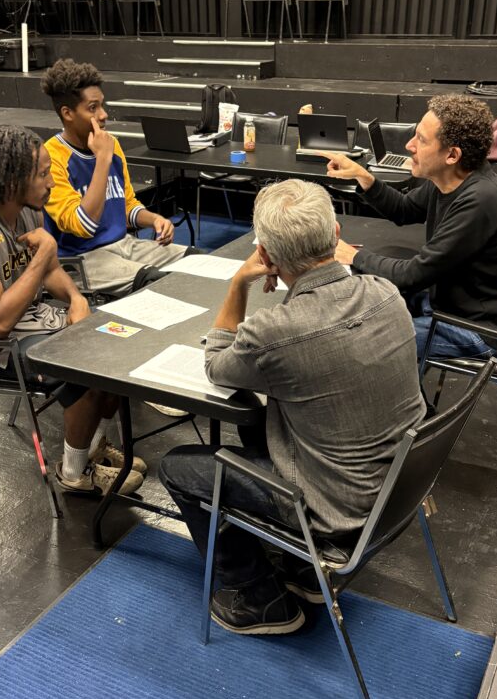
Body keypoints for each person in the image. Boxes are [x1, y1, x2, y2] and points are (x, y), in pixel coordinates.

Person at [159, 179, 425, 636]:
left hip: (334, 511)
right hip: (397, 489)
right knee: (264, 421)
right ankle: (304, 573)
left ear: (266, 257)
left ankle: (258, 596)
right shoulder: (387, 293)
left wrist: (239, 282)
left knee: (177, 466)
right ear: (336, 231)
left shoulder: (275, 332)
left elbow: (216, 365)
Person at [0, 125, 146, 496]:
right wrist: (45, 253)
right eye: (43, 174)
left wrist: (78, 302)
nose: (51, 182)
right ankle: (74, 473)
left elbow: (52, 273)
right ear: (13, 179)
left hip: (30, 321)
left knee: (118, 341)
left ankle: (92, 445)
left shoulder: (28, 208)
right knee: (86, 360)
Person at [326, 94, 497, 359]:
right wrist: (363, 176)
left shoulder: (480, 200)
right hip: (447, 305)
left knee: (361, 340)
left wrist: (354, 256)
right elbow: (404, 209)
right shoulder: (449, 180)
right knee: (366, 305)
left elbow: (413, 275)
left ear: (452, 155)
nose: (409, 145)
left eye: (420, 139)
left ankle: (412, 401)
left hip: (479, 330)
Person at [41, 57, 189, 295]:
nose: (103, 115)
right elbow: (83, 225)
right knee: (157, 282)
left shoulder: (112, 146)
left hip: (124, 245)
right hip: (81, 259)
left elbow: (126, 205)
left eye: (102, 105)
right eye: (93, 108)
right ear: (67, 113)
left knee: (196, 262)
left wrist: (153, 220)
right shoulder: (51, 158)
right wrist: (102, 159)